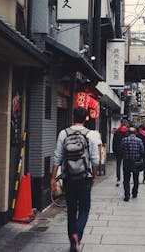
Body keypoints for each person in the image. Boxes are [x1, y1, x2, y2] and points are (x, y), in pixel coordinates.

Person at [51, 107, 100, 252]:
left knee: (71, 209)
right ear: (86, 118)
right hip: (85, 177)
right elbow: (95, 160)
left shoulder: (63, 134)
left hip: (68, 178)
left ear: (73, 117)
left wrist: (53, 178)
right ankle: (77, 235)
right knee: (84, 208)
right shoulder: (91, 135)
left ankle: (72, 242)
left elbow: (57, 157)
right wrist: (93, 176)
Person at [121, 127, 144, 201]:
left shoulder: (124, 140)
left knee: (126, 179)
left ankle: (127, 194)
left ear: (128, 133)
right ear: (135, 133)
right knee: (136, 178)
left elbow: (120, 150)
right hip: (136, 162)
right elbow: (142, 151)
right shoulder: (139, 140)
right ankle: (134, 193)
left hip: (127, 161)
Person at [112, 119, 129, 186]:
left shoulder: (117, 132)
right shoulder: (128, 132)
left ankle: (118, 179)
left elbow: (114, 142)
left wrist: (114, 151)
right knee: (126, 166)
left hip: (118, 151)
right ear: (126, 124)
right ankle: (126, 179)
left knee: (118, 165)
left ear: (121, 123)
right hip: (126, 151)